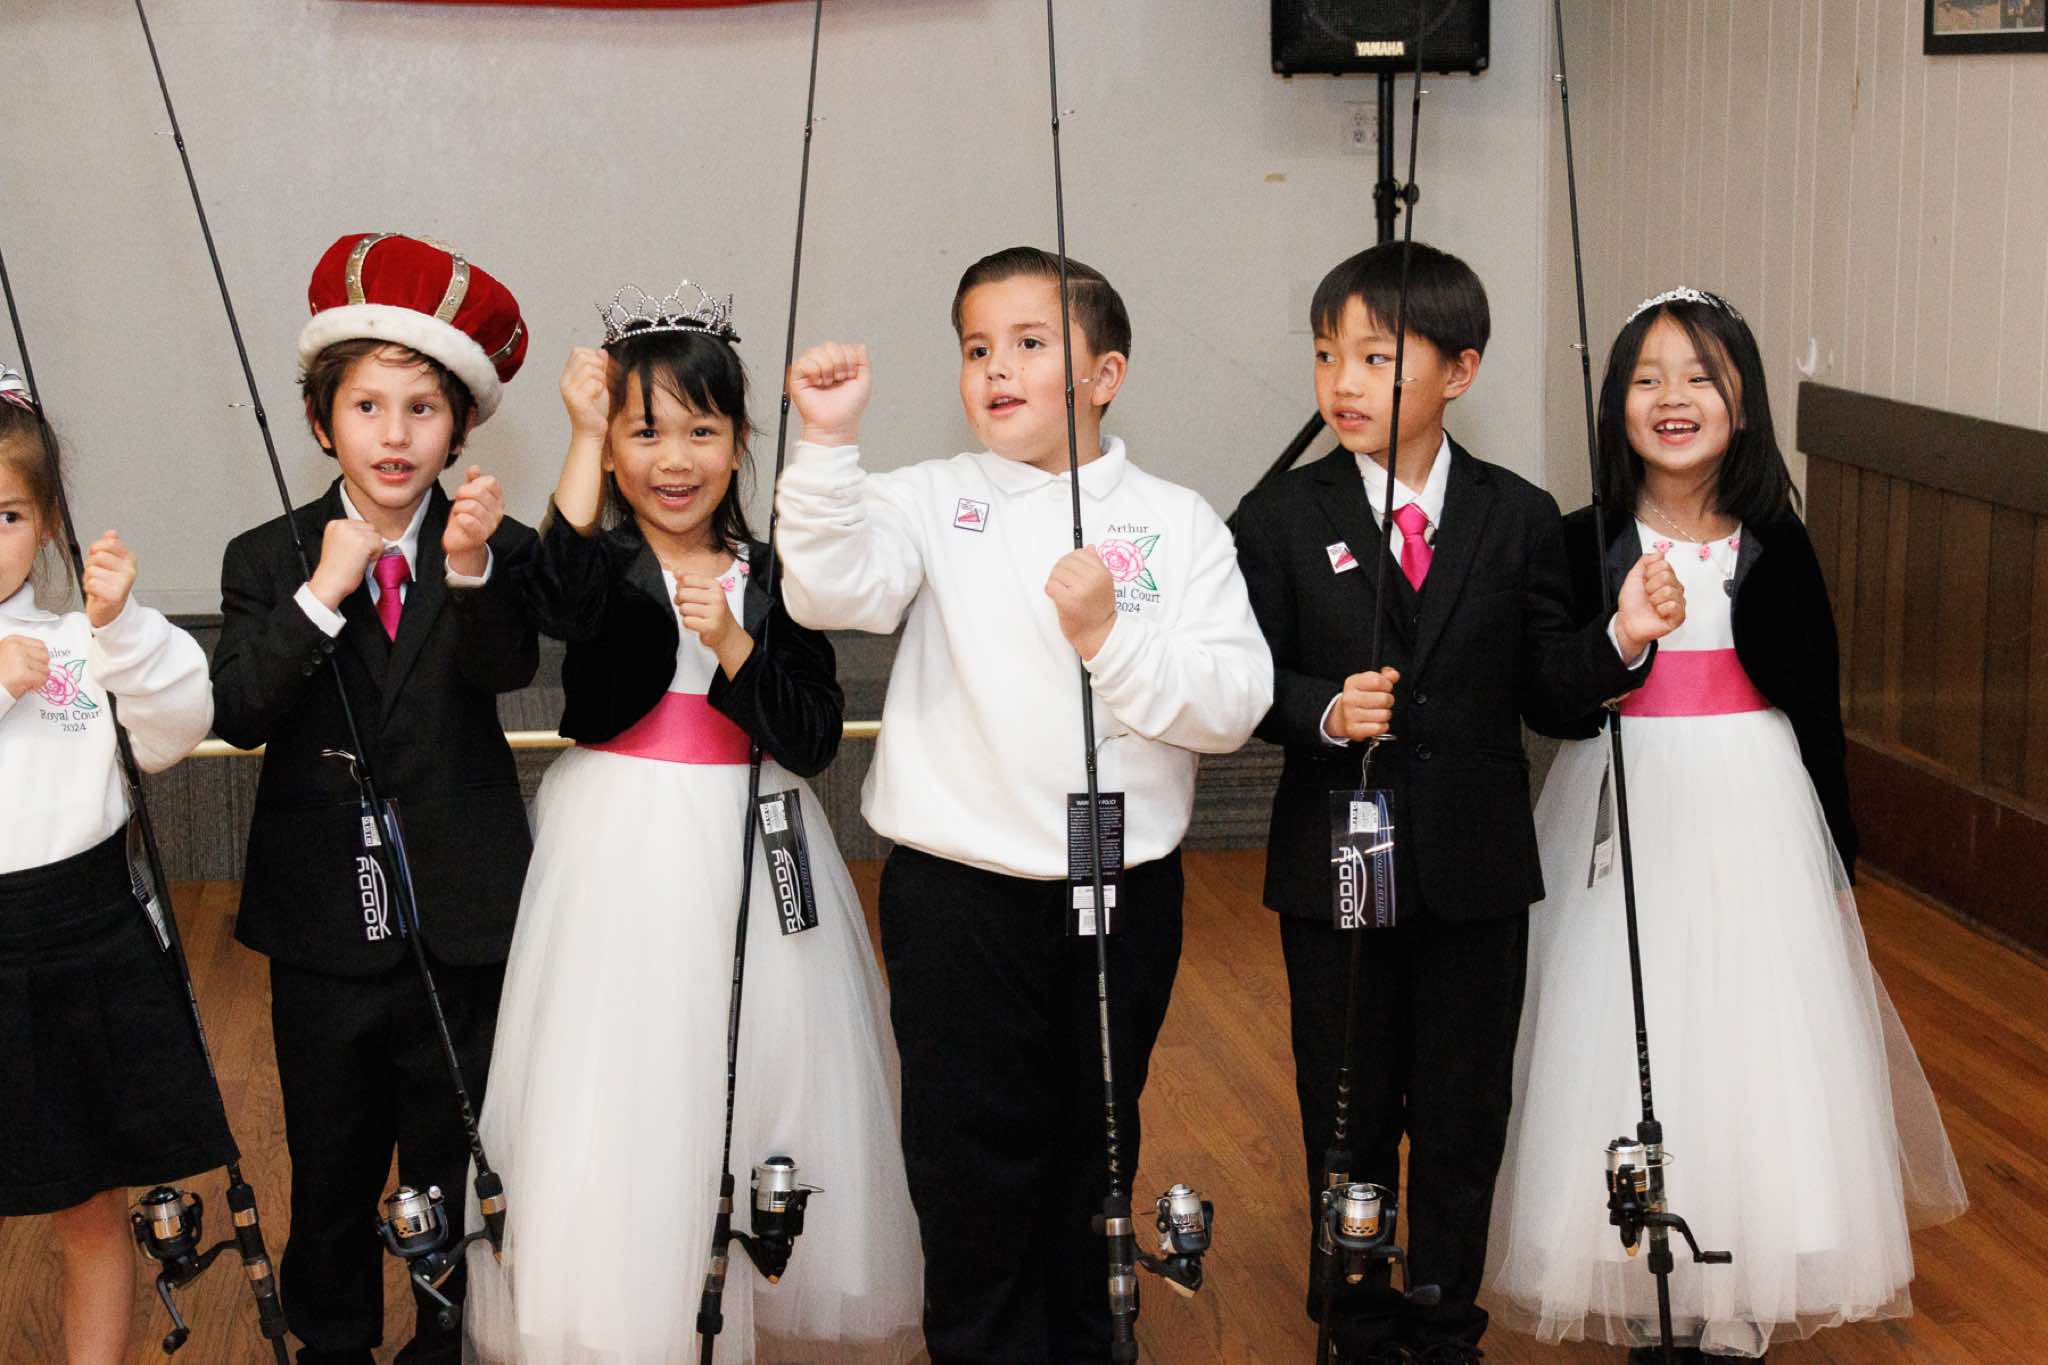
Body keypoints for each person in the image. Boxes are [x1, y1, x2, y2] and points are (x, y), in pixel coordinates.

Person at [775, 246, 1273, 1363]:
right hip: (956, 899)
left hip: (1121, 894)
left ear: (1105, 375)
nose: (995, 368)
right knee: (966, 1159)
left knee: (1096, 1144)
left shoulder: (1177, 520)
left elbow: (1234, 702)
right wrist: (827, 442)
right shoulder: (929, 496)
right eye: (975, 348)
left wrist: (1110, 637)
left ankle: (1091, 1339)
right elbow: (826, 587)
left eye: (1029, 344)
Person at [1483, 287, 1968, 1362]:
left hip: (1754, 801)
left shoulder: (1777, 545)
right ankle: (1632, 1263)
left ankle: (1738, 1276)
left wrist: (1836, 859)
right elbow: (1546, 694)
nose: (1673, 397)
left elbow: (1819, 710)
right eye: (1647, 378)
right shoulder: (1580, 540)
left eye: (1700, 377)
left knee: (1750, 1025)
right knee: (1619, 1019)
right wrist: (1619, 636)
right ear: (1614, 404)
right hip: (1623, 795)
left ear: (1741, 404)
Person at [1231, 241, 1685, 1363]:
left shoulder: (1515, 514)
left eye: (1375, 358)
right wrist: (1323, 709)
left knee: (1463, 1106)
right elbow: (1240, 682)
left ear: (1459, 371)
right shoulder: (1278, 515)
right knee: (1346, 1103)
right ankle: (1354, 1311)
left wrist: (1622, 636)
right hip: (1336, 863)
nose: (1342, 382)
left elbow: (1548, 689)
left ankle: (1443, 1314)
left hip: (1475, 868)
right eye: (1325, 354)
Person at [462, 281, 922, 1364]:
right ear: (615, 450)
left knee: (764, 1060)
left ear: (741, 442)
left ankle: (757, 1279)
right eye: (644, 431)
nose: (675, 459)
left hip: (754, 834)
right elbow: (555, 602)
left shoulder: (777, 571)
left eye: (702, 431)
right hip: (616, 836)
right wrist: (578, 436)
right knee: (622, 1056)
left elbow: (813, 733)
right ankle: (624, 1296)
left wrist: (734, 647)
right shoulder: (605, 563)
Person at [211, 233, 539, 1364]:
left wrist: (473, 568)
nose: (395, 435)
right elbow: (239, 710)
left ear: (459, 427)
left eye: (422, 410)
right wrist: (321, 594)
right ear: (322, 424)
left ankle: (446, 1337)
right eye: (367, 408)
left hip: (461, 907)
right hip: (322, 920)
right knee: (331, 1156)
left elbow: (506, 668)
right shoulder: (269, 556)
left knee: (450, 1149)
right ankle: (335, 1338)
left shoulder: (493, 545)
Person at [0, 363, 231, 1363]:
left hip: (81, 942)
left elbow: (176, 728)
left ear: (48, 524)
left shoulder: (75, 645)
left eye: (6, 515)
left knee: (91, 1206)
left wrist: (120, 629)